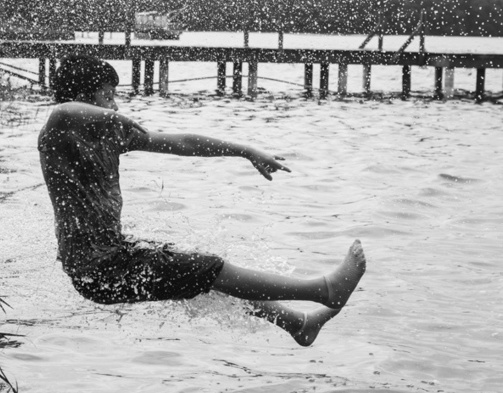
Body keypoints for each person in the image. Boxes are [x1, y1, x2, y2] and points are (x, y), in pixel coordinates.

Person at [37, 56, 366, 346]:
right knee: (211, 268)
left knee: (207, 280)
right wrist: (108, 118)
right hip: (96, 269)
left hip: (113, 257)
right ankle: (323, 290)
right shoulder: (55, 135)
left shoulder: (110, 135)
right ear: (84, 98)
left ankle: (298, 324)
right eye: (108, 97)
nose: (116, 107)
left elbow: (184, 143)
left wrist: (245, 151)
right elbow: (63, 112)